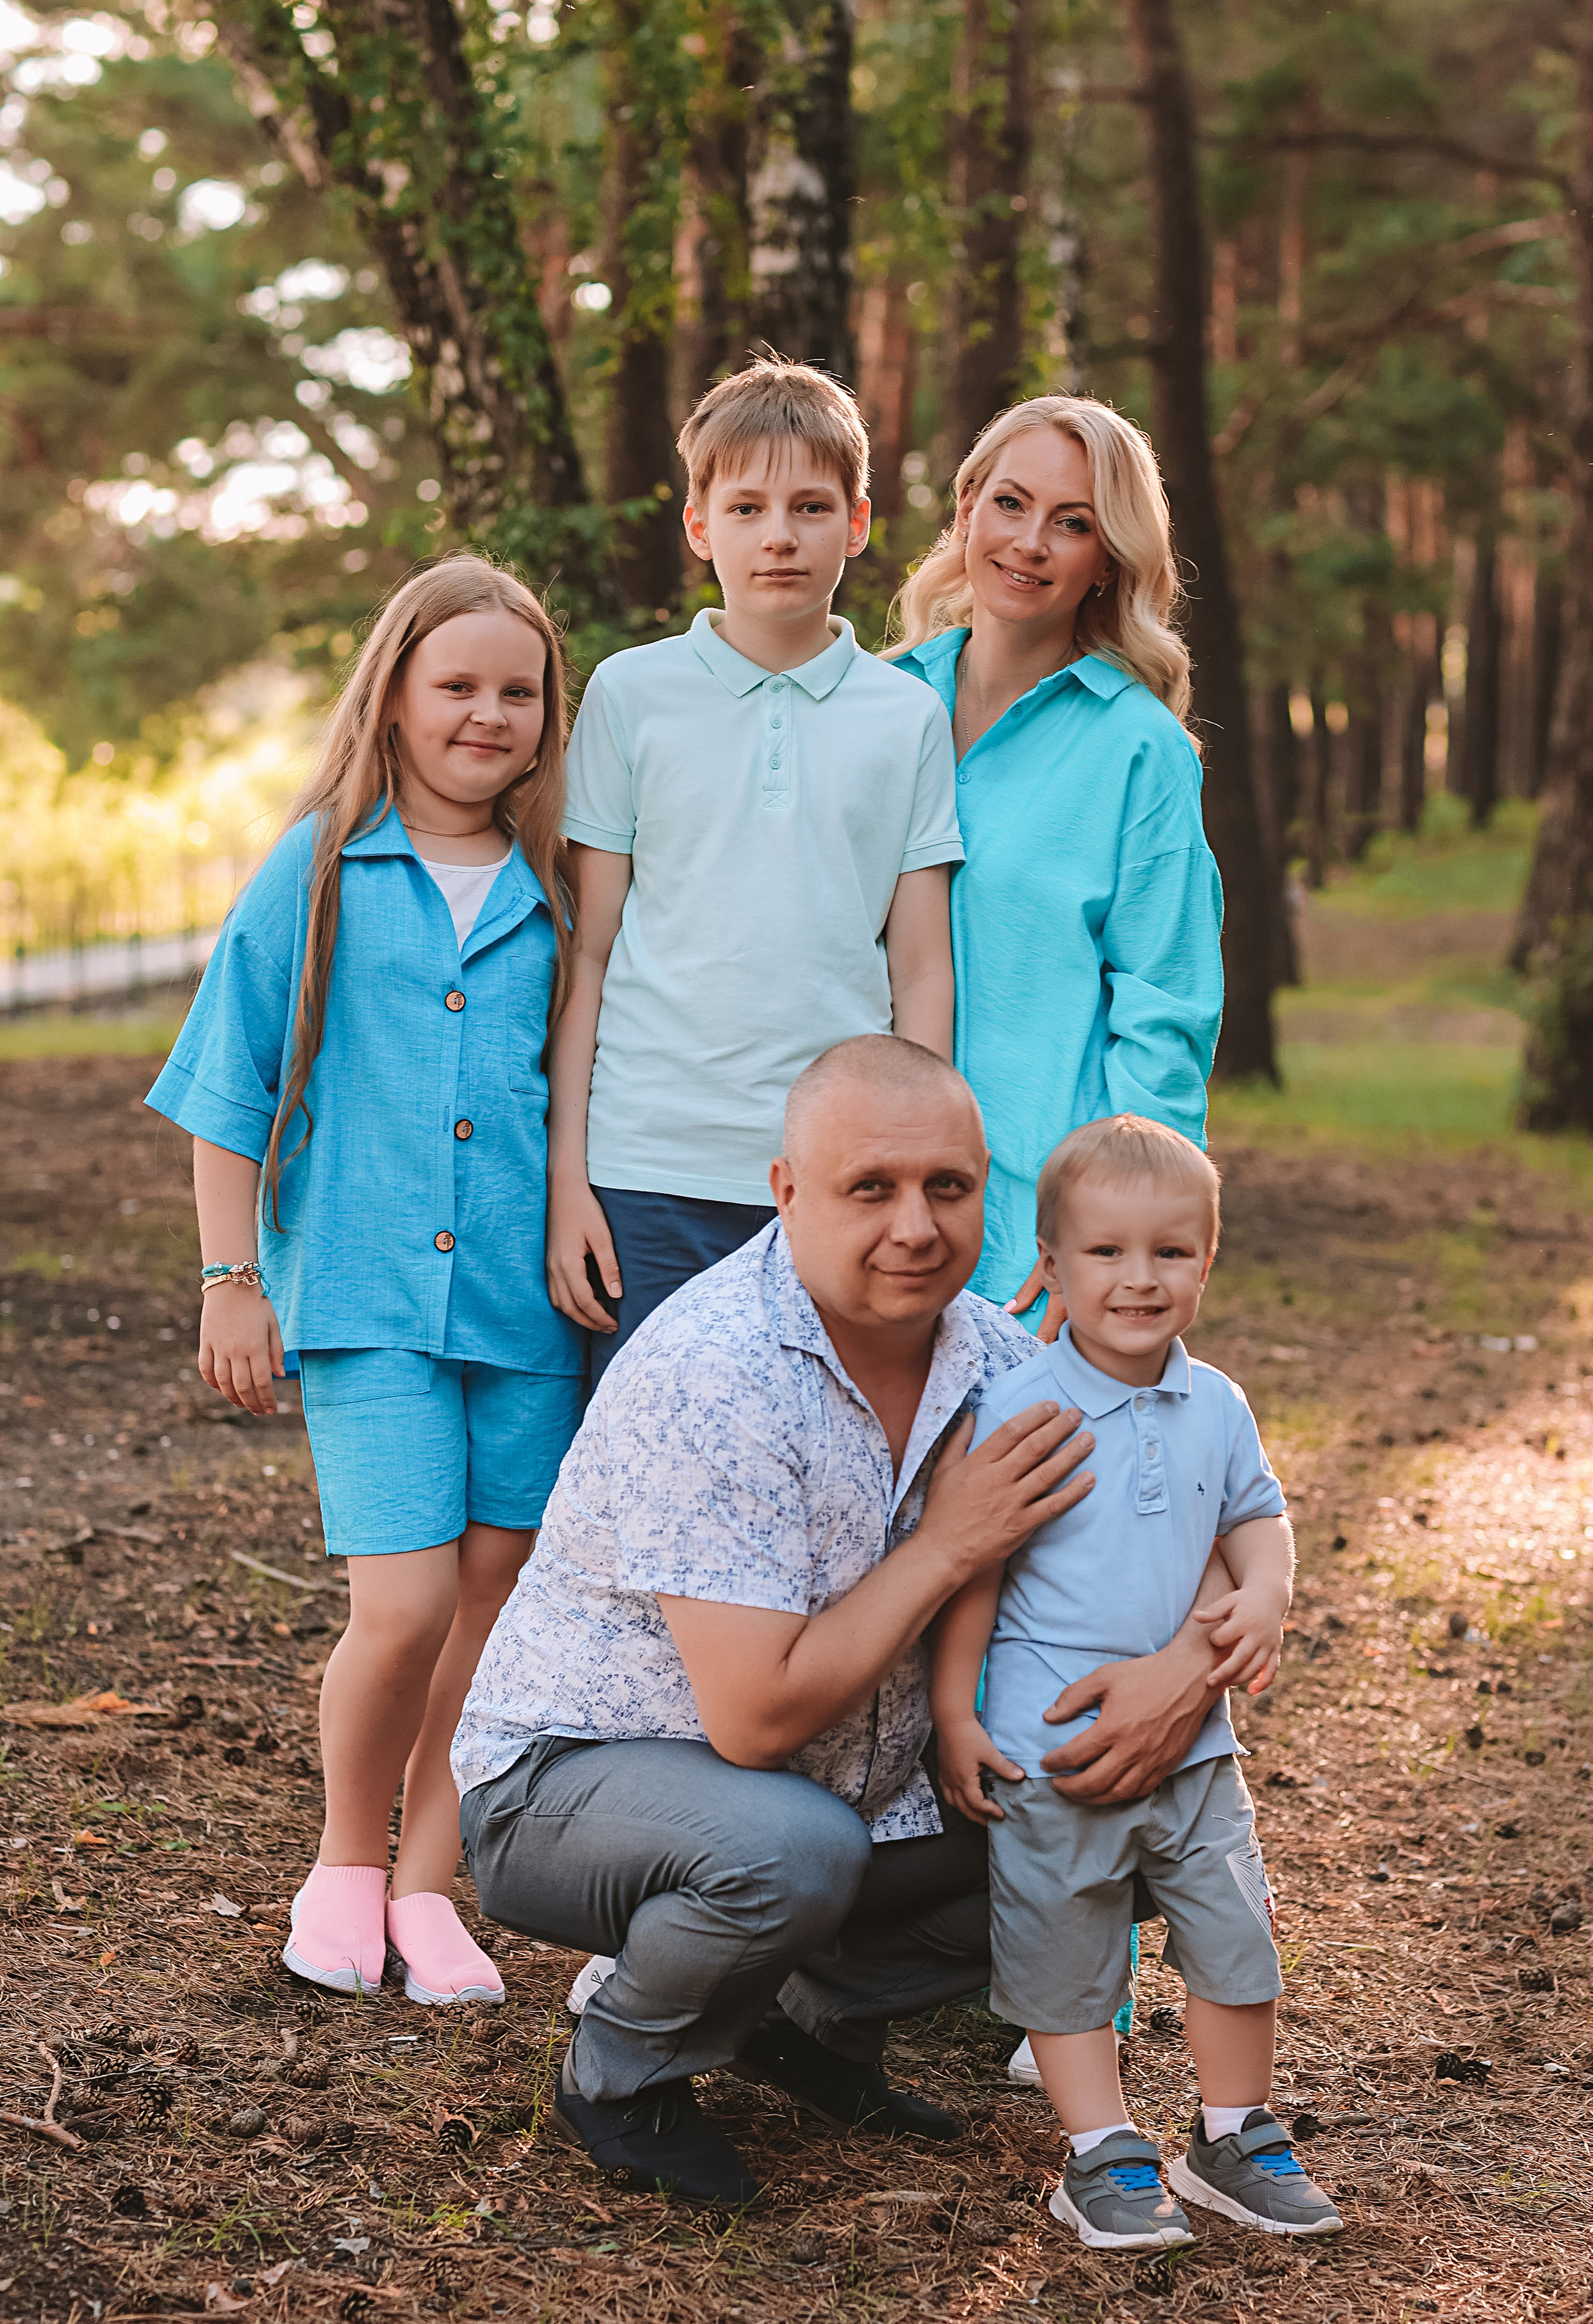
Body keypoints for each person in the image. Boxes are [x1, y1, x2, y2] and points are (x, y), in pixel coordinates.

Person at [453, 1039, 1243, 2205]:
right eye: (870, 1188)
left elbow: (1193, 1525)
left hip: (845, 1793)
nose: (917, 1227)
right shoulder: (716, 1372)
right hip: (570, 1788)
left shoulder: (1002, 1362)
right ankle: (619, 2073)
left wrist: (1188, 1670)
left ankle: (804, 2020)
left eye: (949, 1188)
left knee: (1098, 1798)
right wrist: (948, 1544)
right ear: (786, 1190)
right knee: (785, 1850)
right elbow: (756, 1721)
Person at [146, 554, 585, 2008]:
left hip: (525, 1318)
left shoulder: (564, 890)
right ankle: (344, 1863)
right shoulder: (319, 868)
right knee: (398, 1605)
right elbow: (231, 1086)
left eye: (514, 691)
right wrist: (229, 1278)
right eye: (456, 685)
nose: (486, 713)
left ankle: (427, 1888)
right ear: (394, 696)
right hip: (360, 1296)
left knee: (489, 1605)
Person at [931, 1115, 1341, 2250]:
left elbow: (1261, 1520)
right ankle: (1101, 2151)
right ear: (1051, 1266)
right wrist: (955, 1714)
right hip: (1049, 1743)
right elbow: (973, 1575)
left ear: (1208, 1261)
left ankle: (1234, 2130)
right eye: (1106, 1253)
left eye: (1170, 1252)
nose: (1139, 1278)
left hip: (1199, 1749)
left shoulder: (1217, 1405)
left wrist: (1262, 1595)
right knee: (1066, 1945)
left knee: (1232, 1936)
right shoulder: (1025, 1407)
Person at [544, 357, 963, 1382]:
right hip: (647, 1166)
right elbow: (587, 953)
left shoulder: (906, 713)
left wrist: (917, 1174)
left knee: (833, 1469)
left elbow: (921, 972)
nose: (779, 534)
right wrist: (568, 1181)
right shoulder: (630, 695)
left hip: (838, 1178)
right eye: (747, 506)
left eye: (811, 506)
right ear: (700, 528)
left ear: (858, 524)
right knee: (652, 1473)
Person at [886, 395, 1224, 1337]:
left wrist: (1117, 1245)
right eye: (1010, 504)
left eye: (1071, 523)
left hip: (1030, 1235)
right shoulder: (876, 706)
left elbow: (1167, 1015)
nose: (1030, 542)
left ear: (1107, 558)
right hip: (860, 1214)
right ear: (965, 513)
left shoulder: (1138, 750)